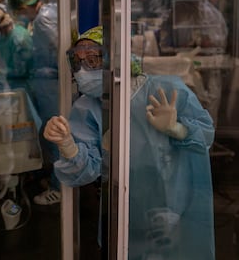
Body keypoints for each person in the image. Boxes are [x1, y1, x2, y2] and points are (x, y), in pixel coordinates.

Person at [44, 26, 215, 259]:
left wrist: (178, 129)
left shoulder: (166, 90)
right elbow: (87, 170)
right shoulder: (87, 108)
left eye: (93, 59)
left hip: (174, 208)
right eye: (77, 62)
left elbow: (205, 136)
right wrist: (68, 146)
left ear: (117, 59)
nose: (83, 71)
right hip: (124, 216)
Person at [8, 0, 60, 205]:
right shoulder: (50, 11)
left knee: (56, 136)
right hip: (51, 82)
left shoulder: (42, 20)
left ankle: (59, 189)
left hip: (52, 85)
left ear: (22, 8)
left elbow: (58, 48)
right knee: (55, 135)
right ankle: (57, 180)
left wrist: (50, 71)